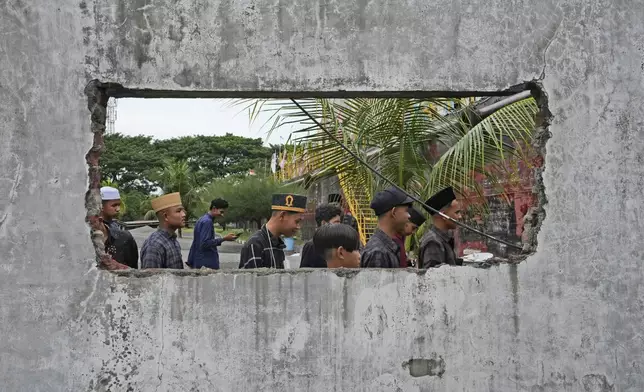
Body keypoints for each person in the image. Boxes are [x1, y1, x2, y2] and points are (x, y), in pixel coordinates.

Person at [239, 193, 307, 269]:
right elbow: (254, 280)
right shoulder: (255, 245)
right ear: (282, 215)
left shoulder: (277, 244)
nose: (298, 227)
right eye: (297, 221)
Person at [360, 186, 412, 268]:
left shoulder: (386, 248)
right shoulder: (378, 253)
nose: (409, 216)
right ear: (394, 212)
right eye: (406, 211)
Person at [418, 187, 463, 268]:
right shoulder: (433, 243)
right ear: (443, 215)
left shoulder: (443, 239)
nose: (460, 216)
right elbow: (434, 277)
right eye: (457, 212)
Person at [187, 198, 238, 269]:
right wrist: (224, 239)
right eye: (221, 212)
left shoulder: (202, 219)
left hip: (200, 261)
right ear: (214, 208)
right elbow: (204, 243)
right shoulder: (207, 222)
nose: (222, 215)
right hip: (205, 264)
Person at [140, 193, 186, 269]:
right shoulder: (154, 246)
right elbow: (150, 279)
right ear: (165, 216)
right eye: (178, 211)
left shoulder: (173, 240)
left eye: (183, 211)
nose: (184, 214)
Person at [300, 204, 342, 268]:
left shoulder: (341, 243)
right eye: (336, 222)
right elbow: (303, 273)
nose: (340, 226)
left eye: (340, 222)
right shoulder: (311, 246)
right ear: (324, 223)